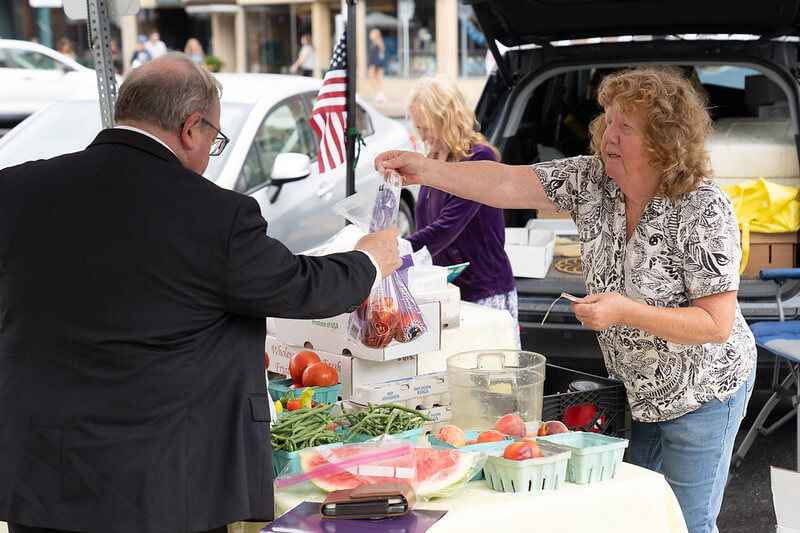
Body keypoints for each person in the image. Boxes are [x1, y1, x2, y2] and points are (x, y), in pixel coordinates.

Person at [0, 52, 401, 533]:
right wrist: (371, 258)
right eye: (215, 139)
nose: (211, 153)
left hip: (36, 481)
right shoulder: (218, 215)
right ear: (192, 128)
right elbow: (301, 287)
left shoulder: (16, 189)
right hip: (157, 492)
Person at [377, 67, 757, 533]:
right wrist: (426, 168)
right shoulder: (591, 180)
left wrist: (623, 311)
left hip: (703, 390)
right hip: (636, 391)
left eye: (626, 126)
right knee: (642, 516)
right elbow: (503, 183)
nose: (608, 134)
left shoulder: (703, 207)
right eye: (608, 119)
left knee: (688, 524)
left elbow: (716, 324)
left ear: (664, 141)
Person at [404, 76, 518, 341]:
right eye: (418, 127)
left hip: (484, 291)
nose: (422, 136)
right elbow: (425, 224)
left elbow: (446, 228)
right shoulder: (433, 157)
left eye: (427, 128)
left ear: (448, 118)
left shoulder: (479, 158)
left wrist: (398, 251)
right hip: (448, 291)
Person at [367, 28, 385, 102]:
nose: (370, 35)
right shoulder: (378, 44)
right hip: (379, 65)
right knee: (378, 80)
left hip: (375, 65)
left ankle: (379, 93)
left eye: (372, 34)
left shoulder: (376, 45)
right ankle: (380, 94)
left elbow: (377, 57)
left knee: (371, 78)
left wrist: (375, 66)